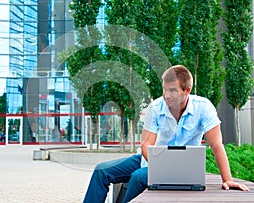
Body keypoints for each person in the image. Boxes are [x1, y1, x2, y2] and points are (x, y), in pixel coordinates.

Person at [83, 65, 250, 203]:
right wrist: (160, 166)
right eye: (164, 89)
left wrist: (227, 179)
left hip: (183, 167)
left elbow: (216, 145)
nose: (166, 95)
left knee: (138, 177)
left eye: (172, 90)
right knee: (101, 171)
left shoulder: (203, 108)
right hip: (150, 160)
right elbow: (146, 146)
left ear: (187, 90)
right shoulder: (155, 108)